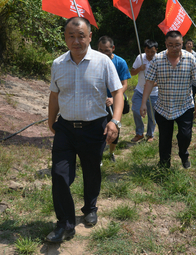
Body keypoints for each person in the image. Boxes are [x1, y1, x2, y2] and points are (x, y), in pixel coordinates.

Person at [46, 17, 123, 243]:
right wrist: (51, 122)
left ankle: (90, 206)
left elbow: (118, 92)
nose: (76, 40)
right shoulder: (58, 64)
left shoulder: (103, 62)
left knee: (92, 172)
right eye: (71, 36)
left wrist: (115, 122)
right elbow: (54, 94)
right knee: (59, 175)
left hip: (94, 128)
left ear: (90, 37)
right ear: (65, 38)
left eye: (81, 36)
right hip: (66, 129)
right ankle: (65, 224)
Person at [140, 31, 196, 169]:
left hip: (184, 106)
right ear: (166, 44)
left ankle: (183, 153)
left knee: (185, 135)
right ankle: (164, 164)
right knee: (164, 139)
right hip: (163, 106)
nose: (174, 48)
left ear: (182, 44)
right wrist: (143, 103)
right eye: (170, 45)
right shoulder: (157, 59)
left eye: (177, 45)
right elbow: (149, 82)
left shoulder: (190, 59)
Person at [97, 36, 131, 162]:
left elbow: (124, 84)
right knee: (99, 130)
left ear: (113, 48)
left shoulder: (120, 62)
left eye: (107, 50)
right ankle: (98, 156)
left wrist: (113, 98)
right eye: (101, 50)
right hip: (98, 102)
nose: (104, 54)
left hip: (114, 102)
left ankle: (111, 152)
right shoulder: (94, 61)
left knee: (114, 129)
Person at [130, 39, 159, 143]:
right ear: (144, 50)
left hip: (154, 93)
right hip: (140, 91)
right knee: (136, 110)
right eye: (147, 51)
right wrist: (139, 69)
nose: (150, 54)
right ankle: (139, 133)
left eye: (152, 52)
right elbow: (132, 72)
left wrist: (152, 84)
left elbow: (163, 78)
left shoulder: (159, 59)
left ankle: (150, 134)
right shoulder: (140, 58)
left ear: (156, 50)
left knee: (152, 115)